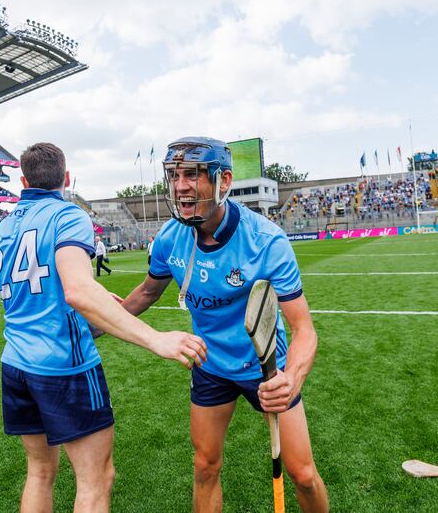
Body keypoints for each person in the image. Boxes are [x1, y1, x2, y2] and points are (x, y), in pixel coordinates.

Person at [0, 142, 207, 513]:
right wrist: (156, 339)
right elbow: (76, 291)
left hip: (16, 363)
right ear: (67, 178)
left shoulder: (4, 226)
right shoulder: (67, 215)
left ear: (23, 180)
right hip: (63, 366)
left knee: (39, 473)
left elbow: (37, 288)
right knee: (95, 480)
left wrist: (97, 295)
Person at [122, 137, 328, 512]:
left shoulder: (266, 241)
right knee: (205, 466)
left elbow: (304, 329)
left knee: (303, 474)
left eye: (193, 174)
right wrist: (96, 325)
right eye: (174, 175)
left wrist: (290, 380)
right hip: (211, 367)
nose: (180, 185)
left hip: (265, 368)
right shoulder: (171, 238)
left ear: (224, 181)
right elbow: (145, 295)